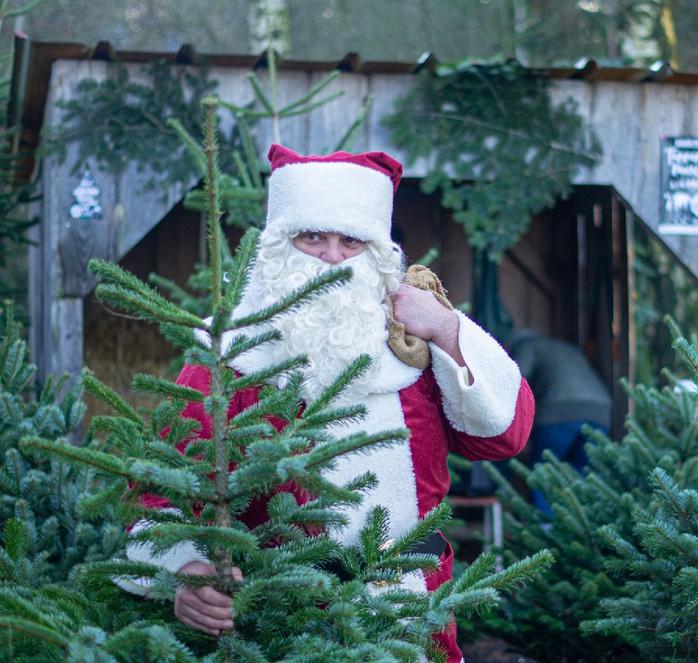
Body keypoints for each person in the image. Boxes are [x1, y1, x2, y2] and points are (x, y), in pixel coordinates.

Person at [122, 145, 535, 663]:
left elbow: (503, 437)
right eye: (313, 237)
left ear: (377, 252)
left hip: (410, 622)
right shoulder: (231, 354)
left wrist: (449, 331)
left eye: (351, 240)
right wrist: (187, 569)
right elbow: (159, 491)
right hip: (274, 627)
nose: (333, 257)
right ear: (279, 245)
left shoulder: (416, 347)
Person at [507, 330, 611, 515]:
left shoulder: (526, 346)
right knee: (582, 474)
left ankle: (547, 532)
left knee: (544, 473)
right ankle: (581, 531)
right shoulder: (567, 348)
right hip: (600, 412)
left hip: (558, 410)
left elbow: (513, 380)